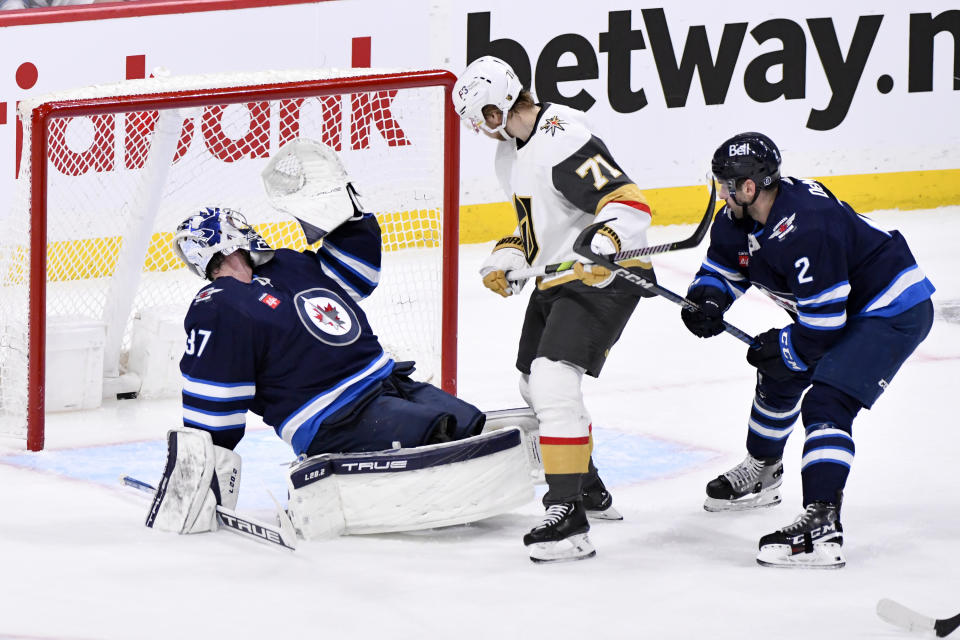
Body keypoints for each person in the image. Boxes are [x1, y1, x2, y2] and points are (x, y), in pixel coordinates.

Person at [145, 140, 491, 536]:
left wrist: (347, 210)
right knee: (433, 431)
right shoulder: (218, 304)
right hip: (336, 419)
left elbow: (358, 275)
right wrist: (202, 476)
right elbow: (214, 406)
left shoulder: (289, 263)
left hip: (391, 385)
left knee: (467, 424)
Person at [681, 131, 935, 568]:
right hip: (844, 309)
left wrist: (782, 345)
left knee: (827, 402)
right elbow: (724, 268)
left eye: (726, 184)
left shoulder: (806, 225)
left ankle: (822, 523)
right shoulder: (737, 218)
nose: (719, 192)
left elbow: (822, 326)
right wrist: (708, 298)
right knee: (779, 370)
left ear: (749, 187)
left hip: (891, 308)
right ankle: (763, 470)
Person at [452, 56, 658, 563]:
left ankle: (567, 516)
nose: (479, 130)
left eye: (481, 116)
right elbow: (532, 229)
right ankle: (585, 485)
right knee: (530, 381)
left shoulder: (563, 134)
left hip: (602, 277)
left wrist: (606, 241)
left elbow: (628, 202)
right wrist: (506, 258)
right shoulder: (509, 155)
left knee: (552, 381)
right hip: (559, 278)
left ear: (500, 104)